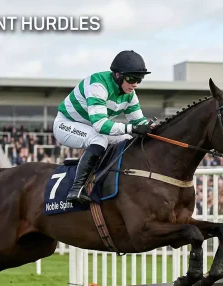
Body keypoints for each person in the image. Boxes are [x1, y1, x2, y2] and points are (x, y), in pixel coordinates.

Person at [53, 50, 152, 205]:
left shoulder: (130, 94)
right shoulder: (98, 85)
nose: (135, 84)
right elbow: (100, 125)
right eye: (132, 78)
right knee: (99, 138)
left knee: (127, 139)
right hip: (66, 125)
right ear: (118, 75)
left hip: (91, 127)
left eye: (140, 79)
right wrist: (132, 128)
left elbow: (140, 123)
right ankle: (76, 189)